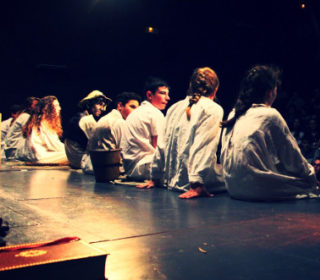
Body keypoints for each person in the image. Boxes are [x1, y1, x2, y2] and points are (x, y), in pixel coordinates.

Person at [221, 65, 318, 200]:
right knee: (311, 187)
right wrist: (311, 175)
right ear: (270, 92)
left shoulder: (233, 113)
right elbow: (293, 159)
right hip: (254, 188)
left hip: (232, 187)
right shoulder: (270, 115)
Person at [138, 67, 225, 198]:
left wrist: (155, 177)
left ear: (191, 87)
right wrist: (196, 183)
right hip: (195, 183)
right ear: (215, 90)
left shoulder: (174, 108)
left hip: (172, 182)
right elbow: (203, 145)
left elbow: (162, 144)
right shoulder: (213, 109)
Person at [121, 77, 170, 180]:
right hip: (143, 167)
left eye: (167, 94)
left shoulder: (136, 112)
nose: (167, 98)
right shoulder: (154, 113)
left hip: (130, 168)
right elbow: (159, 148)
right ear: (149, 95)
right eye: (162, 93)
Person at [81, 92, 141, 174]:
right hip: (106, 169)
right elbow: (124, 153)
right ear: (120, 106)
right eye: (132, 107)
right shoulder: (119, 122)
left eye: (137, 109)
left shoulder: (107, 118)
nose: (135, 112)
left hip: (89, 165)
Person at [64, 90, 111, 168]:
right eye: (99, 105)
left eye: (103, 106)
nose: (102, 109)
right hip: (80, 159)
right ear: (89, 104)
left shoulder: (78, 116)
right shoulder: (86, 120)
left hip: (74, 158)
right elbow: (96, 145)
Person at [15, 96, 68, 164]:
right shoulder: (45, 122)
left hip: (35, 155)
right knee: (73, 156)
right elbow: (54, 145)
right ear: (49, 108)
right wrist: (70, 150)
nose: (59, 108)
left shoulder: (38, 120)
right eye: (56, 106)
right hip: (40, 156)